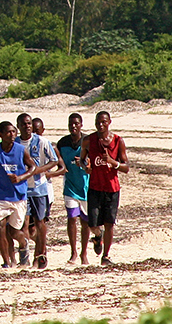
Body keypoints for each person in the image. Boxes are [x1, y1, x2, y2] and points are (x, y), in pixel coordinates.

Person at [81, 110, 128, 266]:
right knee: (92, 223)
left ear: (109, 122)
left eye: (103, 122)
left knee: (109, 223)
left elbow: (126, 167)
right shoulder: (88, 140)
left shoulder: (118, 141)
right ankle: (97, 235)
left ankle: (106, 256)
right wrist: (85, 166)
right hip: (94, 186)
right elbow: (82, 160)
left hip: (112, 188)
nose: (100, 125)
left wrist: (112, 162)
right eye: (98, 122)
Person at [17, 113, 59, 269]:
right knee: (25, 224)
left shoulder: (42, 142)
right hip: (21, 188)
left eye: (29, 123)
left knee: (40, 222)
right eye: (23, 124)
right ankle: (25, 257)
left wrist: (40, 170)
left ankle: (40, 254)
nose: (27, 126)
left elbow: (54, 160)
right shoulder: (15, 143)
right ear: (19, 126)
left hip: (39, 188)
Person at [0, 120, 35, 268]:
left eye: (14, 132)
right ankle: (7, 262)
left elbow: (33, 167)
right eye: (8, 132)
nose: (12, 135)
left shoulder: (21, 150)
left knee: (14, 231)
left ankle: (24, 243)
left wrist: (21, 178)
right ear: (1, 134)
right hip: (1, 196)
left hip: (19, 196)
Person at [56, 113, 93, 264]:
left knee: (85, 222)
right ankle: (73, 253)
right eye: (71, 123)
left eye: (76, 124)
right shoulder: (62, 143)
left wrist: (83, 163)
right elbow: (58, 162)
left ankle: (84, 253)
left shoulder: (88, 141)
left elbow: (92, 164)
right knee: (71, 218)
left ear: (81, 125)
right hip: (70, 187)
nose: (73, 126)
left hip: (86, 187)